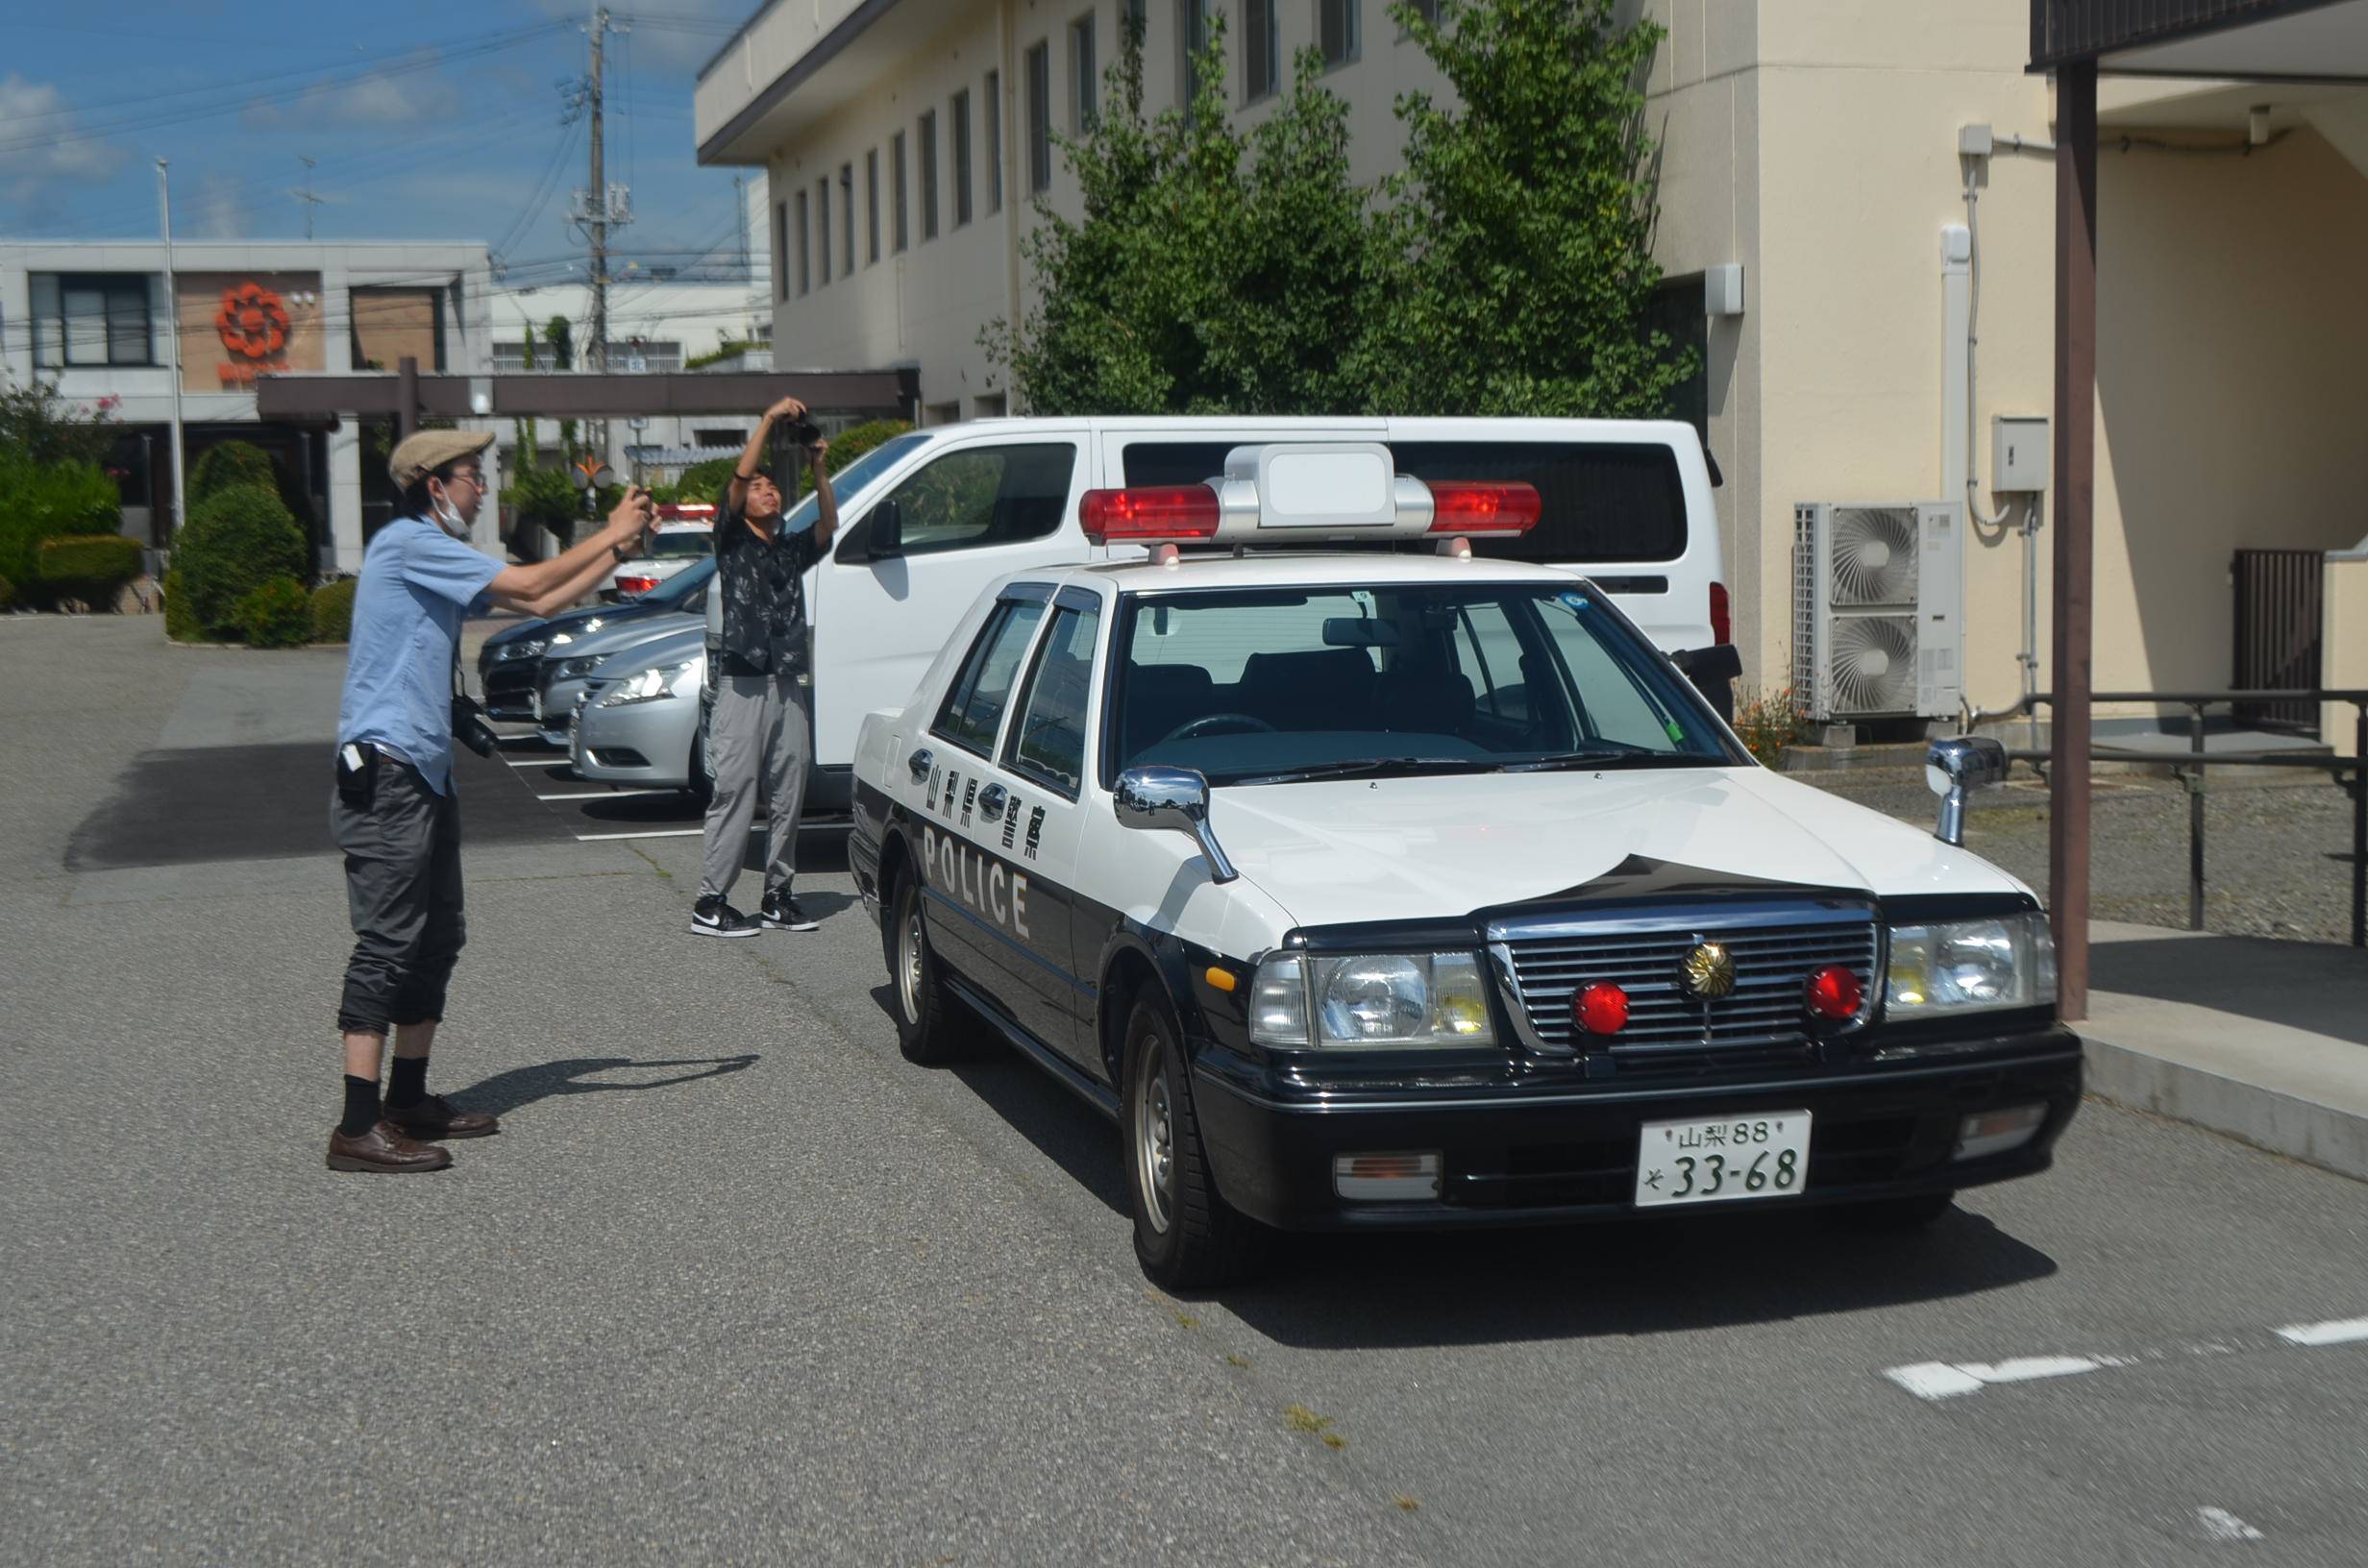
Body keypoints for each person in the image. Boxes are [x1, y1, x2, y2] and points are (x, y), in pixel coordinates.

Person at [328, 429, 656, 1173]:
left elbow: (542, 606)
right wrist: (609, 531)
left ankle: (406, 1099)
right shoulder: (410, 542)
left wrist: (618, 554)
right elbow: (533, 585)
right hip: (388, 770)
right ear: (432, 485)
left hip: (424, 770)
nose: (481, 489)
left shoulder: (428, 551)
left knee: (437, 934)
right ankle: (355, 1124)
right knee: (387, 939)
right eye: (472, 477)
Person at [693, 395, 839, 938]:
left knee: (790, 785)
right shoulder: (730, 539)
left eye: (773, 485)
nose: (767, 489)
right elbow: (737, 476)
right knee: (736, 789)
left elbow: (829, 523)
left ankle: (778, 895)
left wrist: (819, 463)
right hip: (742, 682)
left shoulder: (787, 547)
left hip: (786, 681)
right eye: (759, 487)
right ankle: (711, 902)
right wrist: (768, 420)